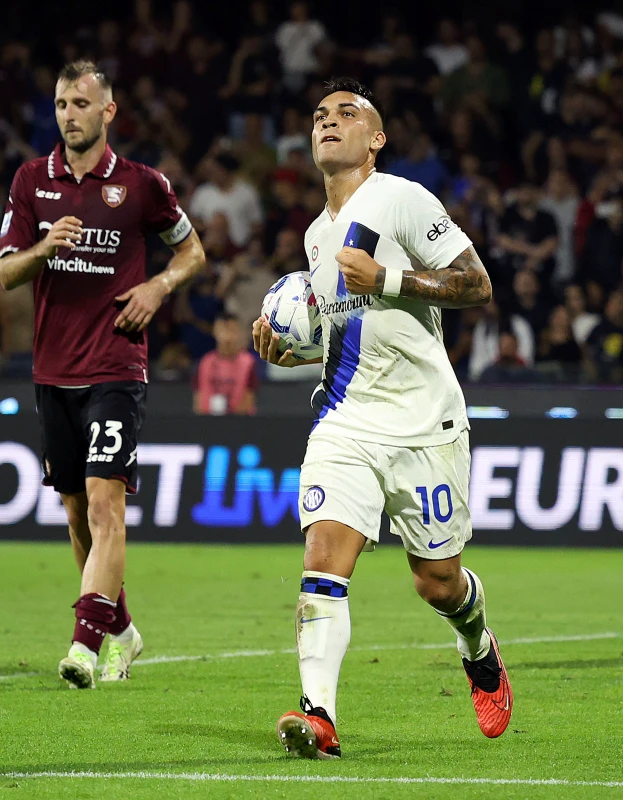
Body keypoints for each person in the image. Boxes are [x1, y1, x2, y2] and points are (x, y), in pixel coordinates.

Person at [252, 78, 511, 759]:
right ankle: (319, 715)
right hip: (345, 421)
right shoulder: (315, 237)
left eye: (347, 114)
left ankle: (477, 642)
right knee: (322, 560)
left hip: (425, 424)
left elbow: (477, 284)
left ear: (377, 138)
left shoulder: (398, 197)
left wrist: (389, 280)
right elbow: (345, 333)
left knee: (438, 583)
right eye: (318, 116)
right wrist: (291, 351)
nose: (328, 123)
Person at [0, 60, 206, 687]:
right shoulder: (33, 181)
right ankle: (124, 630)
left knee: (104, 503)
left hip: (117, 364)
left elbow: (192, 252)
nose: (69, 115)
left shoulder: (143, 185)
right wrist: (42, 248)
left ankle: (85, 642)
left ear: (107, 112)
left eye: (81, 104)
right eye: (61, 104)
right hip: (53, 367)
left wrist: (158, 287)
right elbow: (6, 272)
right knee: (75, 514)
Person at [193, 314, 258, 415]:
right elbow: (198, 401)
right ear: (214, 331)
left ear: (239, 333)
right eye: (223, 330)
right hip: (208, 423)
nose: (227, 337)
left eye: (232, 330)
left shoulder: (248, 363)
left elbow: (248, 400)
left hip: (240, 423)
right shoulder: (205, 362)